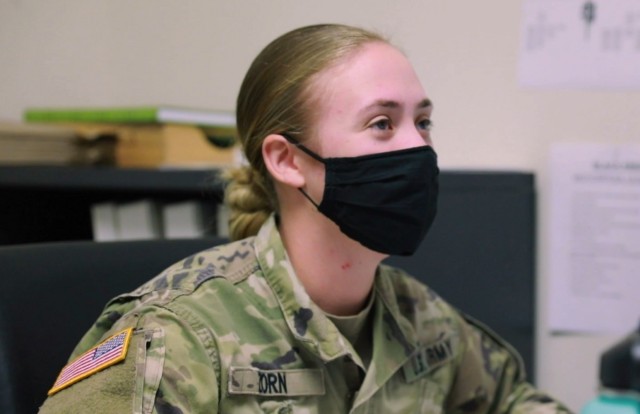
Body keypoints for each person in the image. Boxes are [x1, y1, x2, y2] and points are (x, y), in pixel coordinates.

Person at [39, 24, 572, 413]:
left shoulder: (421, 320)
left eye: (424, 121)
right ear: (287, 159)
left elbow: (515, 402)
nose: (419, 147)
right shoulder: (180, 338)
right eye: (383, 123)